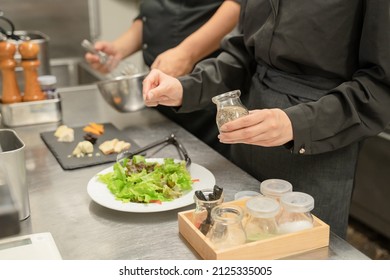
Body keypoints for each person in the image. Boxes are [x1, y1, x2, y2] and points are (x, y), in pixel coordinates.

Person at [142, 0, 390, 238]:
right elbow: (244, 55)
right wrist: (187, 88)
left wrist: (295, 124)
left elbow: (380, 88)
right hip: (246, 148)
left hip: (316, 155)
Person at [85, 0, 241, 157]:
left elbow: (237, 4)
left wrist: (186, 53)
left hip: (203, 95)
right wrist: (119, 49)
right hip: (161, 99)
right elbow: (154, 11)